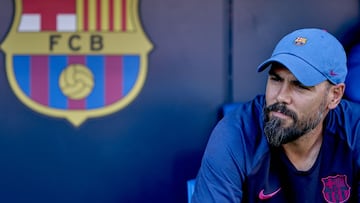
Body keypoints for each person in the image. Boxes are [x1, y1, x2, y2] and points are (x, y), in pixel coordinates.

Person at [191, 28, 360, 202]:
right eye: (276, 79)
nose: (281, 96)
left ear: (335, 96)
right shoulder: (237, 133)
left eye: (300, 85)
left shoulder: (355, 131)